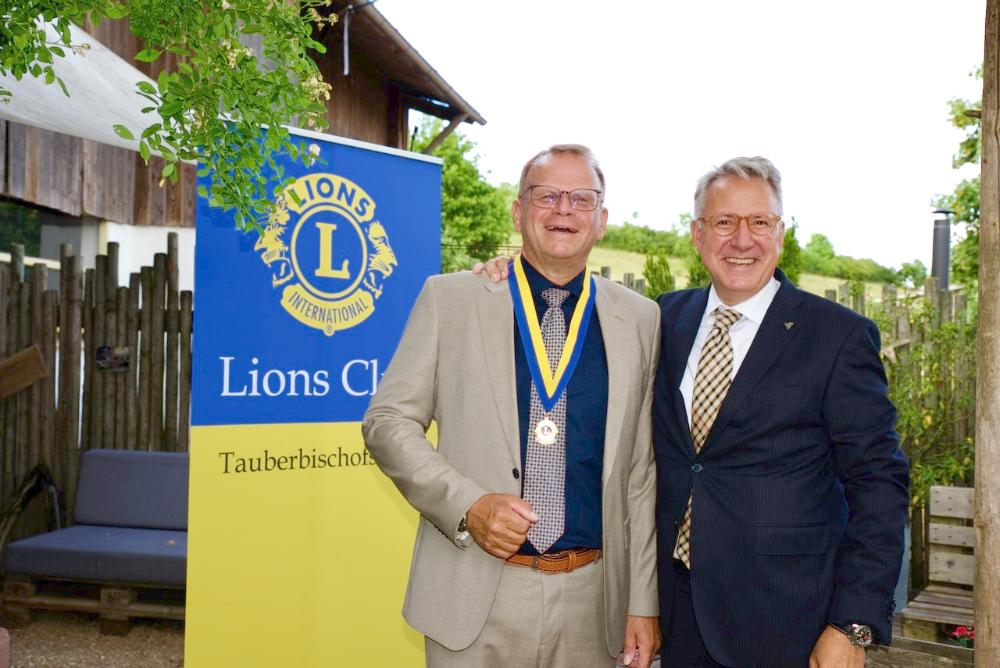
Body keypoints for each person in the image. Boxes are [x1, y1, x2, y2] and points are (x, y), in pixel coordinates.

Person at [363, 144, 661, 667]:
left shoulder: (640, 319)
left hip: (594, 604)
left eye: (582, 198)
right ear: (518, 211)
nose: (564, 209)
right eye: (547, 195)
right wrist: (468, 505)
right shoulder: (451, 299)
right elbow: (387, 422)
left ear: (602, 220)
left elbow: (640, 475)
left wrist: (642, 601)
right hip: (476, 593)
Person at [653, 157, 909, 667]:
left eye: (759, 222)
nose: (742, 239)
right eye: (724, 222)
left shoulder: (837, 335)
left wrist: (852, 624)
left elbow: (878, 482)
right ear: (698, 234)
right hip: (676, 610)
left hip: (789, 619)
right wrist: (503, 277)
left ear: (780, 233)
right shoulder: (663, 317)